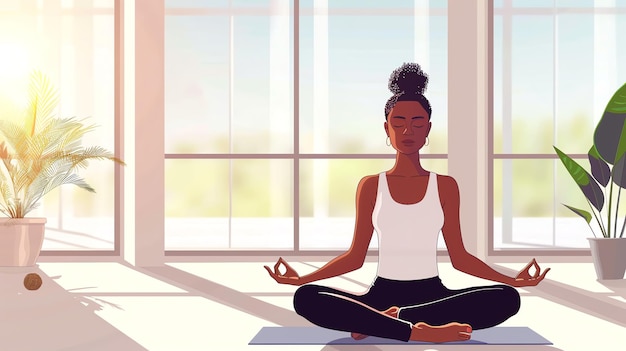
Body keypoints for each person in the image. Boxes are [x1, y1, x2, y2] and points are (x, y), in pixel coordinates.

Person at [264, 62, 550, 343]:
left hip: (434, 297)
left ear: (428, 129)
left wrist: (512, 280)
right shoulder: (371, 186)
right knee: (306, 298)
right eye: (398, 123)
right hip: (380, 295)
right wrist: (301, 279)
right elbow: (355, 257)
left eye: (417, 123)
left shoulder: (445, 186)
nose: (407, 131)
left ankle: (387, 320)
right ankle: (414, 330)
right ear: (386, 129)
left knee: (506, 299)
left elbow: (459, 257)